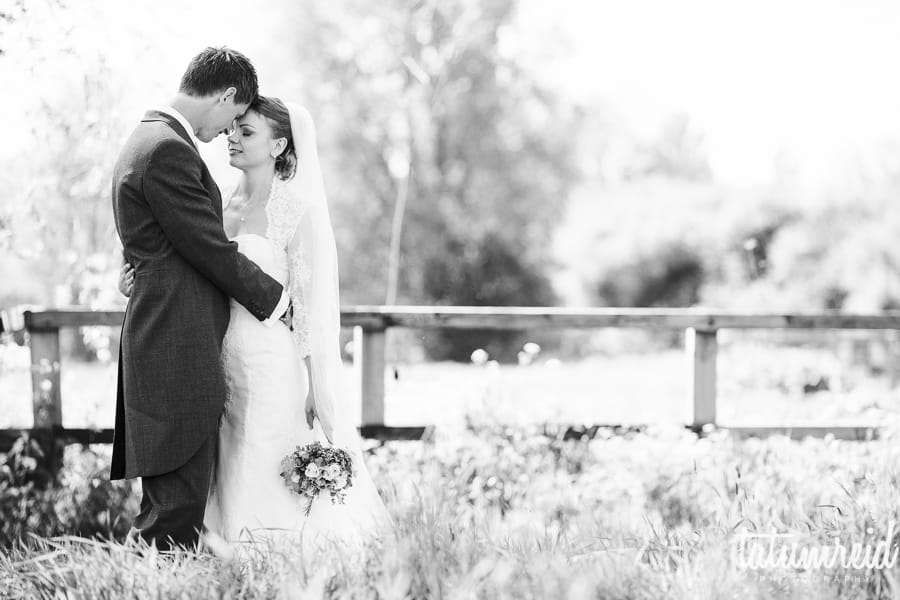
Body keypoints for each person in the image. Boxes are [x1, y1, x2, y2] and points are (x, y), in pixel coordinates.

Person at [119, 96, 391, 551]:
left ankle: (277, 553)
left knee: (265, 452)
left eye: (247, 132)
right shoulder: (218, 202)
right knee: (227, 456)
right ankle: (227, 552)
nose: (232, 138)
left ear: (279, 144)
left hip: (273, 359)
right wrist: (136, 276)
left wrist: (314, 381)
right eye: (233, 129)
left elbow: (307, 303)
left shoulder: (294, 209)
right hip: (220, 354)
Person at [110, 47, 291, 551]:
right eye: (235, 117)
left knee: (178, 508)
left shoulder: (147, 140)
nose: (228, 132)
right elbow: (208, 248)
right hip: (175, 347)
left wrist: (139, 274)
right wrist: (279, 302)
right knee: (173, 516)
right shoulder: (166, 149)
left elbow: (160, 245)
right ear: (227, 95)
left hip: (172, 339)